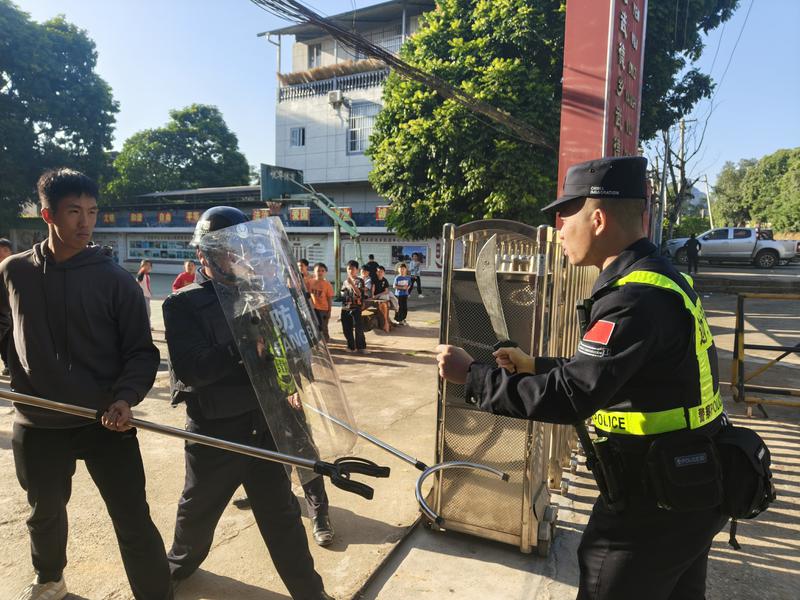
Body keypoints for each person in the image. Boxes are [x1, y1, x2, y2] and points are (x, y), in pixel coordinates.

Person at [436, 156, 728, 600]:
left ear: (598, 218)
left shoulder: (634, 299)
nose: (559, 230)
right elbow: (610, 372)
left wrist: (472, 376)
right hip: (689, 481)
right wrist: (534, 365)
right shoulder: (662, 279)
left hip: (652, 501)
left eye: (566, 216)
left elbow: (572, 396)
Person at [0, 168, 171, 600]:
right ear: (47, 215)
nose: (85, 223)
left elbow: (141, 352)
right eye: (74, 211)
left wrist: (126, 398)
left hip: (105, 421)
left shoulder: (116, 281)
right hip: (38, 421)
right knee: (44, 514)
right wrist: (15, 366)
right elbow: (4, 325)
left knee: (132, 518)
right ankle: (50, 579)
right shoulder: (13, 272)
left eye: (92, 212)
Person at [163, 206, 333, 598]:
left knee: (282, 516)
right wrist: (242, 347)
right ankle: (176, 568)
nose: (236, 257)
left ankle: (311, 592)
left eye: (240, 248)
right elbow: (192, 369)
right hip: (216, 431)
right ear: (203, 255)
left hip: (265, 423)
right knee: (197, 513)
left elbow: (293, 351)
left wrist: (294, 353)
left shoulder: (263, 294)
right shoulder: (183, 304)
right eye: (225, 250)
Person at [341, 260, 367, 353]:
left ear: (357, 270)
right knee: (346, 328)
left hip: (356, 307)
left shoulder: (359, 281)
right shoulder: (345, 282)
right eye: (349, 269)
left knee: (358, 328)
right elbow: (343, 294)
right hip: (345, 307)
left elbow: (359, 293)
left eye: (353, 269)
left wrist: (352, 284)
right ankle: (351, 347)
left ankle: (361, 347)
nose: (350, 271)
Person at [307, 262, 334, 342]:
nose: (320, 272)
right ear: (314, 272)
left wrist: (329, 311)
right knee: (313, 326)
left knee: (323, 327)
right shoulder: (310, 282)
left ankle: (325, 341)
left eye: (322, 271)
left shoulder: (327, 284)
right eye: (318, 271)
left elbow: (329, 298)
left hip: (323, 309)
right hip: (313, 309)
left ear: (325, 272)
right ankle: (316, 342)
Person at [0, 238, 13, 376]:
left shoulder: (15, 270)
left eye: (5, 250)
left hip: (10, 313)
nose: (1, 253)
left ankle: (9, 365)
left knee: (8, 342)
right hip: (3, 315)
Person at [136, 259, 153, 324]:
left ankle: (146, 324)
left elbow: (147, 285)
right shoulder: (141, 274)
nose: (148, 267)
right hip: (143, 296)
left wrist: (150, 292)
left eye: (149, 265)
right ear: (142, 266)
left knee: (147, 312)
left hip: (147, 296)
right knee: (147, 312)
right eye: (146, 265)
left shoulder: (147, 275)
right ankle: (147, 325)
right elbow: (137, 284)